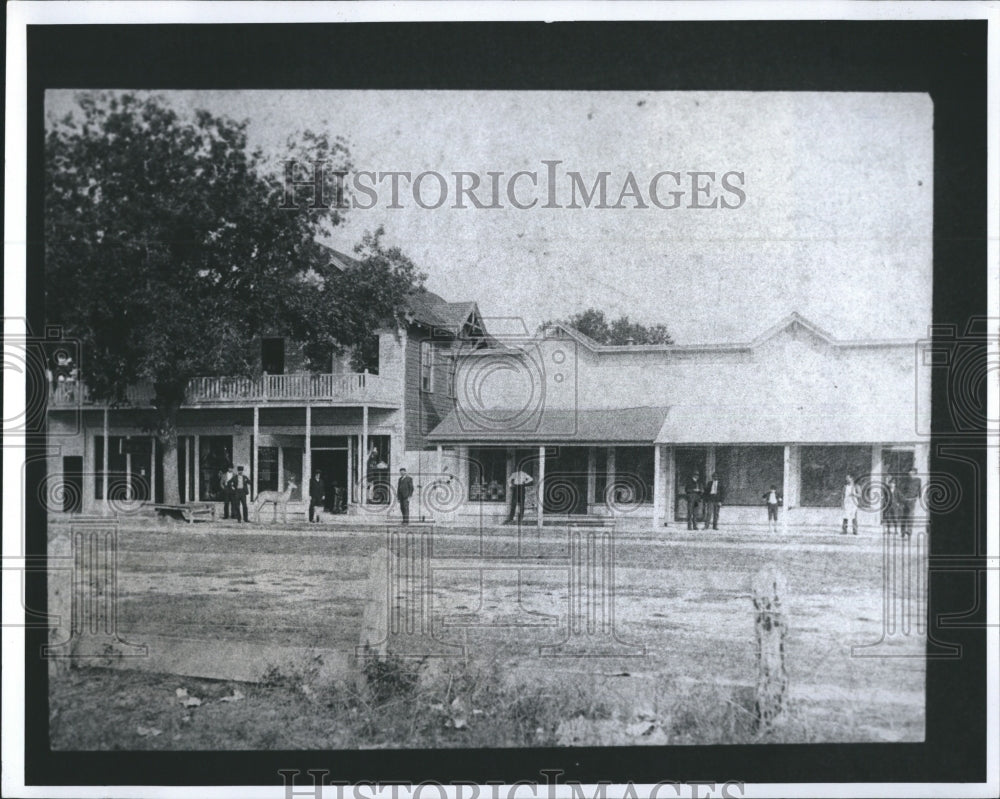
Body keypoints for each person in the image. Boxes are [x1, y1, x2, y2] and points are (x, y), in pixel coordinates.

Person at [897, 467, 922, 539]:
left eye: (911, 471)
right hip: (904, 500)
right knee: (903, 516)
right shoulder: (905, 480)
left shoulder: (918, 480)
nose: (909, 473)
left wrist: (919, 498)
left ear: (914, 473)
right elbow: (900, 489)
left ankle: (909, 532)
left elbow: (920, 489)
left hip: (912, 500)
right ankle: (903, 532)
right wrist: (901, 498)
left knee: (910, 516)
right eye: (909, 471)